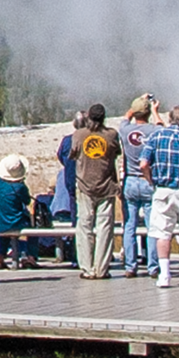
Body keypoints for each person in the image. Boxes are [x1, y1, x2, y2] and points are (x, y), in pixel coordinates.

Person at [134, 104, 179, 291]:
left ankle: (164, 274)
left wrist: (151, 180)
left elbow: (143, 164)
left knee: (162, 232)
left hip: (163, 188)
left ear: (170, 118)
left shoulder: (157, 136)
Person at [62, 109, 121, 280]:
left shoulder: (79, 135)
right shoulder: (111, 135)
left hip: (85, 185)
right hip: (106, 184)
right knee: (105, 228)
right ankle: (101, 268)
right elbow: (116, 154)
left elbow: (72, 155)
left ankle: (87, 268)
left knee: (85, 226)